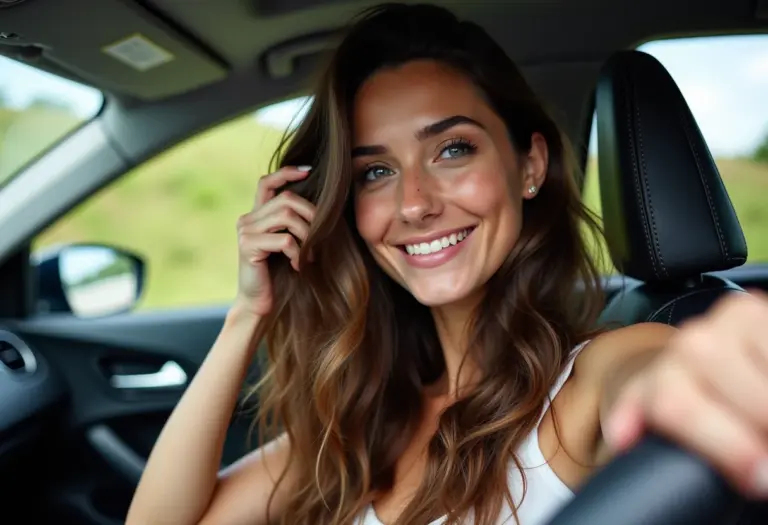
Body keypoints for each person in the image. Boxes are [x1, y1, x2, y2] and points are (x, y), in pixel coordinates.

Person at [125, 3, 768, 525]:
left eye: (452, 150)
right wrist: (248, 313)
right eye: (376, 171)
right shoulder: (365, 421)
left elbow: (668, 375)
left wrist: (725, 364)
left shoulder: (594, 378)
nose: (413, 204)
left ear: (529, 166)